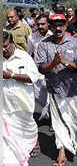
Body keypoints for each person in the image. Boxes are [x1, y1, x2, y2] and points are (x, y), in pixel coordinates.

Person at [34, 13, 77, 166]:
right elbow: (42, 69)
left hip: (75, 89)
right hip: (55, 90)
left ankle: (74, 137)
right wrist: (53, 64)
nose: (58, 28)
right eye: (54, 25)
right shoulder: (43, 44)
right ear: (50, 27)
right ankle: (61, 151)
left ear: (66, 26)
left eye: (61, 24)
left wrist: (63, 61)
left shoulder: (75, 42)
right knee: (59, 123)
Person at [2, 31, 41, 166]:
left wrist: (11, 75)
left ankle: (34, 143)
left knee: (28, 125)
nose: (3, 49)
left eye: (5, 46)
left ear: (12, 43)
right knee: (7, 131)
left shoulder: (23, 56)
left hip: (23, 101)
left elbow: (33, 77)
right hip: (4, 103)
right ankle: (13, 151)